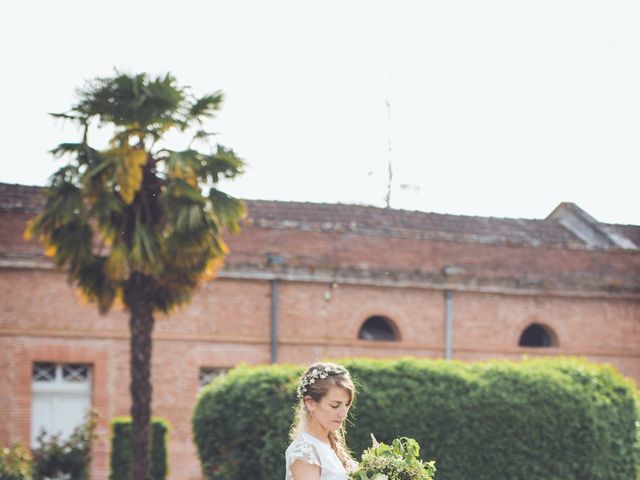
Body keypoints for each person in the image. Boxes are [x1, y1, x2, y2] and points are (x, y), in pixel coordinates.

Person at [285, 362, 357, 480]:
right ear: (310, 403)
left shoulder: (328, 443)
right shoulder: (303, 454)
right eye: (335, 405)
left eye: (347, 405)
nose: (344, 414)